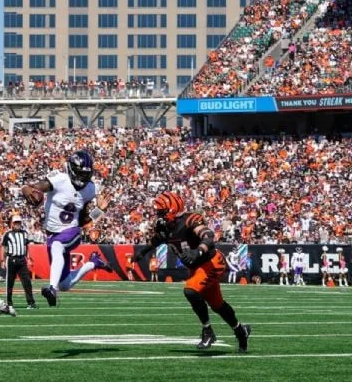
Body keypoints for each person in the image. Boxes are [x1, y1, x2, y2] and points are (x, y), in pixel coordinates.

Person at [133, 191, 251, 352]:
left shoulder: (190, 220)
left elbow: (208, 236)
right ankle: (240, 330)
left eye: (162, 212)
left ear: (173, 210)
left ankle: (207, 330)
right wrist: (142, 252)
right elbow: (157, 239)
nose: (159, 216)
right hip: (197, 268)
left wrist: (199, 251)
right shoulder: (166, 227)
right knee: (217, 305)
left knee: (191, 291)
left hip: (211, 261)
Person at [22, 150, 113, 306]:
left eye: (86, 175)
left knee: (57, 246)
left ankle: (52, 289)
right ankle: (93, 263)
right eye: (80, 174)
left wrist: (100, 211)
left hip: (71, 232)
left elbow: (83, 221)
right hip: (52, 234)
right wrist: (27, 189)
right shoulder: (59, 180)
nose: (83, 178)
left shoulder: (90, 189)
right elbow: (35, 187)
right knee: (65, 284)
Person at [2, 215, 37, 312]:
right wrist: (3, 260)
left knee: (27, 282)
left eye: (19, 222)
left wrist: (28, 258)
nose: (18, 224)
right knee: (10, 283)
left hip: (22, 260)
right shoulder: (8, 234)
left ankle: (31, 302)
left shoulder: (24, 233)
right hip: (11, 259)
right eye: (16, 222)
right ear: (12, 224)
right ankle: (9, 303)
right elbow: (3, 247)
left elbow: (27, 247)